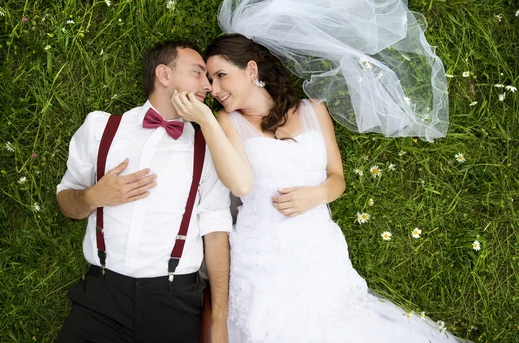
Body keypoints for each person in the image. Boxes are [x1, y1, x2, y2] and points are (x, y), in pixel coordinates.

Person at [172, 33, 470, 342]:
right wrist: (205, 121)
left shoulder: (314, 109)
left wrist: (315, 195)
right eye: (210, 80)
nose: (214, 89)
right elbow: (239, 184)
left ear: (250, 70)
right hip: (263, 256)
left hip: (318, 246)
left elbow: (336, 178)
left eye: (221, 76)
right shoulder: (225, 121)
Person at [55, 41, 232, 343]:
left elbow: (216, 233)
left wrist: (219, 321)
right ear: (164, 74)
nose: (208, 86)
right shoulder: (101, 129)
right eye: (198, 74)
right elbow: (67, 201)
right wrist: (93, 197)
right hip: (102, 298)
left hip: (173, 302)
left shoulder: (209, 147)